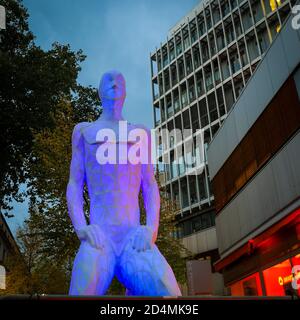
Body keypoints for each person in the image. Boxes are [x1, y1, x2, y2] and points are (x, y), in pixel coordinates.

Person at [67, 70, 182, 296]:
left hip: (133, 239)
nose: (114, 83)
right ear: (99, 92)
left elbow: (150, 185)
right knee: (81, 293)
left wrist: (151, 229)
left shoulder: (139, 133)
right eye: (108, 80)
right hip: (100, 239)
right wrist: (82, 228)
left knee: (170, 295)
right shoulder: (84, 131)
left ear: (126, 92)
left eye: (120, 80)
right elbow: (74, 184)